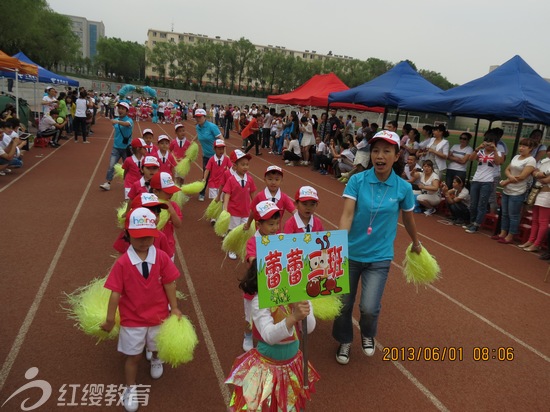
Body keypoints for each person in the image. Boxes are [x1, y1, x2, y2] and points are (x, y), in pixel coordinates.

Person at [332, 130, 422, 365]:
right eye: (375, 150)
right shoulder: (357, 181)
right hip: (350, 254)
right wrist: (338, 246)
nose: (379, 156)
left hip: (379, 258)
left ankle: (368, 334)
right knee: (343, 305)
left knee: (369, 308)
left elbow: (409, 220)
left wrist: (416, 242)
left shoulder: (403, 188)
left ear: (396, 155)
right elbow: (347, 215)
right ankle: (344, 339)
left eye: (386, 151)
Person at [101, 207, 181, 412]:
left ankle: (155, 360)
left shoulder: (161, 257)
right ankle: (130, 388)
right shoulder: (122, 263)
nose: (144, 241)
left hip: (158, 316)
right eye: (139, 237)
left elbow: (170, 283)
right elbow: (115, 293)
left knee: (155, 346)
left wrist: (175, 308)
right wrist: (110, 319)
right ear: (127, 234)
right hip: (132, 320)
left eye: (149, 236)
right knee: (133, 356)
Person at [225, 261, 319, 411]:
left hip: (292, 365)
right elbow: (269, 335)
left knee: (289, 404)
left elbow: (309, 328)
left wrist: (301, 308)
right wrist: (293, 317)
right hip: (267, 368)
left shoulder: (300, 294)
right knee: (264, 405)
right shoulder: (260, 299)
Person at [493, 139, 536, 244]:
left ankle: (510, 235)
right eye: (520, 146)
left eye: (524, 146)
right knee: (505, 213)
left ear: (530, 148)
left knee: (514, 215)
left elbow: (522, 176)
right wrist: (509, 178)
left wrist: (507, 181)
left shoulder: (531, 160)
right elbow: (507, 169)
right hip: (508, 190)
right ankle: (503, 233)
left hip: (518, 191)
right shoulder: (516, 157)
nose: (521, 148)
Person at [463, 131, 504, 234]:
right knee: (473, 203)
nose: (488, 144)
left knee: (482, 204)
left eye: (491, 142)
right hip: (476, 179)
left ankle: (477, 224)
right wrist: (478, 148)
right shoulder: (480, 152)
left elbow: (498, 162)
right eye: (487, 141)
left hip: (487, 181)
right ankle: (472, 221)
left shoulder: (497, 153)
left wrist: (494, 149)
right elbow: (471, 159)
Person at [222, 150, 257, 260]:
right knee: (233, 230)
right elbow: (227, 194)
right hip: (234, 211)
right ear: (235, 166)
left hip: (246, 211)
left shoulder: (250, 179)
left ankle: (241, 247)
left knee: (244, 230)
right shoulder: (231, 180)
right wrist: (225, 208)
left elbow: (252, 194)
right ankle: (231, 248)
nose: (245, 167)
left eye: (247, 164)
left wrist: (255, 207)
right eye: (242, 164)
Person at [244, 165, 295, 232]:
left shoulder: (284, 198)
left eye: (277, 179)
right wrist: (248, 224)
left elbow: (294, 211)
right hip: (261, 233)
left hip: (276, 233)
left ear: (281, 181)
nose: (273, 182)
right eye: (270, 179)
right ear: (264, 179)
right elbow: (253, 212)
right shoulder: (260, 196)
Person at [99, 102, 134, 191]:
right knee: (111, 166)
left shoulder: (129, 120)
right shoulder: (115, 120)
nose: (120, 110)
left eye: (123, 109)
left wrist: (117, 121)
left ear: (127, 111)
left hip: (126, 148)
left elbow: (127, 124)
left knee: (129, 167)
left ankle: (131, 183)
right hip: (116, 147)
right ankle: (108, 183)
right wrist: (116, 121)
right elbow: (115, 124)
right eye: (119, 108)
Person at [149, 172, 183, 260]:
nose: (171, 195)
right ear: (155, 191)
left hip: (168, 246)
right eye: (168, 192)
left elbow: (178, 224)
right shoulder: (148, 205)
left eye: (172, 192)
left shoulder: (173, 205)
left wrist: (172, 211)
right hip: (150, 247)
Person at [195, 108, 223, 201]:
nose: (198, 119)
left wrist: (224, 154)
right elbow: (198, 135)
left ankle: (220, 194)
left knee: (217, 176)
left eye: (200, 117)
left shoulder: (212, 127)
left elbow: (221, 138)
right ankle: (202, 193)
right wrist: (192, 141)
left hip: (216, 156)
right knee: (205, 175)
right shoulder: (198, 127)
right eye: (196, 117)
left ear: (204, 117)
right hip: (206, 156)